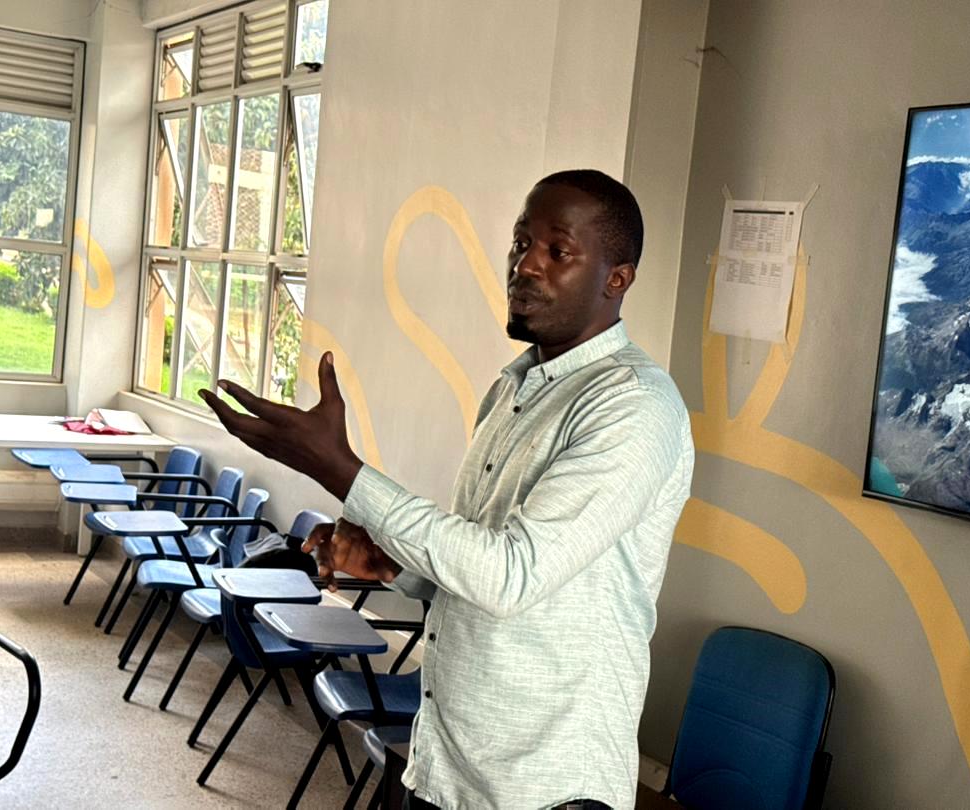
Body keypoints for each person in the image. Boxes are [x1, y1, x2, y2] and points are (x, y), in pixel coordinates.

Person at [200, 169, 694, 810]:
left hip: (540, 787)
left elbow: (510, 575)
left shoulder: (634, 407)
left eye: (557, 251)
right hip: (450, 766)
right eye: (521, 242)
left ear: (616, 279)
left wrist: (340, 470)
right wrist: (391, 562)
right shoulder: (514, 388)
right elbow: (475, 567)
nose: (525, 265)